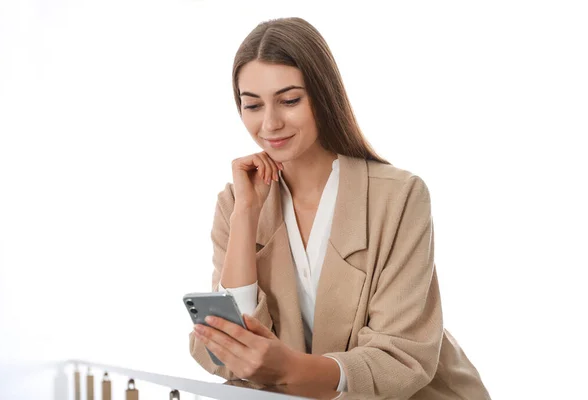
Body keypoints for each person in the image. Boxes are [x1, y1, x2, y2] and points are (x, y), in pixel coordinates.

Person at [189, 17, 490, 399]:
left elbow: (403, 356)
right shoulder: (235, 202)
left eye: (290, 100)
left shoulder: (399, 196)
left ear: (323, 95)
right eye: (252, 105)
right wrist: (246, 216)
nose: (270, 123)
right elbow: (228, 351)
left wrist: (291, 369)